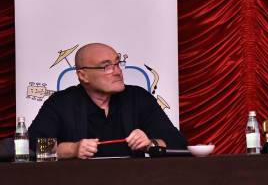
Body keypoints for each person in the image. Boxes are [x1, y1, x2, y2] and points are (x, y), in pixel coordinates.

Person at [29, 43, 187, 159]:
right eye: (106, 67)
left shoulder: (138, 97)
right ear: (83, 75)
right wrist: (73, 149)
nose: (118, 71)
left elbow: (177, 143)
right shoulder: (61, 103)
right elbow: (30, 147)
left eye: (117, 63)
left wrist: (150, 144)